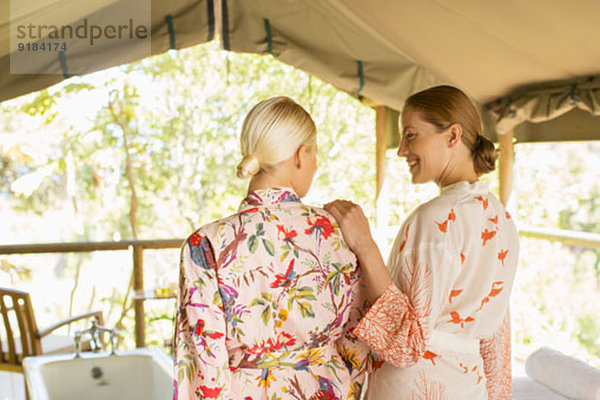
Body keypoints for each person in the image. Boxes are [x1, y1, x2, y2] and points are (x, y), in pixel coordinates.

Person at [324, 85, 519, 400]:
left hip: (415, 387)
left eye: (411, 135)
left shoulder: (435, 218)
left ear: (452, 136)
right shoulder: (501, 219)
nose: (401, 150)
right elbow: (496, 337)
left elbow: (407, 345)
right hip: (470, 387)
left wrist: (365, 245)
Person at [173, 96, 370, 400]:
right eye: (315, 154)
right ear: (300, 155)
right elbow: (356, 339)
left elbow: (203, 360)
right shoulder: (337, 230)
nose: (315, 165)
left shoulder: (208, 243)